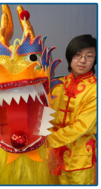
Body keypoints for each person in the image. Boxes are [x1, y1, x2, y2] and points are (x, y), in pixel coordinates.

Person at [46, 34, 97, 185]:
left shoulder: (95, 90)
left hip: (79, 156)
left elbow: (81, 126)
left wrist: (47, 140)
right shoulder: (57, 85)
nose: (83, 60)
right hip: (52, 154)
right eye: (78, 55)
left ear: (95, 60)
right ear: (70, 57)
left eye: (89, 56)